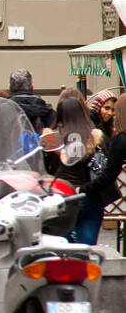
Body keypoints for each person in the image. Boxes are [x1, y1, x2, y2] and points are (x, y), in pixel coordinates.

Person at [42, 94, 105, 245]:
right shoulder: (92, 138)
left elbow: (44, 168)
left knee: (61, 247)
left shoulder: (50, 140)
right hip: (86, 197)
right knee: (86, 247)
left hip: (59, 197)